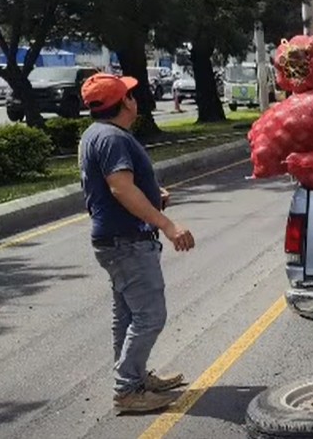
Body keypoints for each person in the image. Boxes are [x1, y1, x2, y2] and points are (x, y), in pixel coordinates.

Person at [78, 74, 196, 413]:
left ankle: (134, 378)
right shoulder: (112, 138)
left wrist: (153, 195)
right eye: (129, 94)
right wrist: (167, 225)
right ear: (124, 103)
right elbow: (120, 188)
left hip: (116, 241)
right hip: (127, 242)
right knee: (150, 316)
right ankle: (128, 389)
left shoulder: (96, 134)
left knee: (128, 315)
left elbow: (115, 186)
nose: (135, 99)